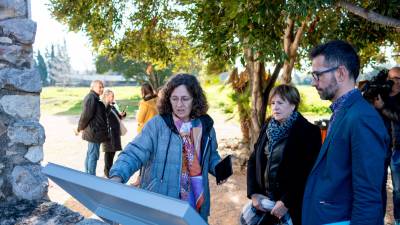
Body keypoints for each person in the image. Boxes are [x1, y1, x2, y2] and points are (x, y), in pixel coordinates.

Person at [109, 74, 224, 222]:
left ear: (195, 99)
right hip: (160, 205)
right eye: (174, 98)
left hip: (195, 205)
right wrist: (118, 176)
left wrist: (219, 168)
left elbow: (211, 154)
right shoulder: (157, 124)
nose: (179, 104)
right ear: (168, 100)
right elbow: (134, 152)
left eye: (185, 98)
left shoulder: (205, 126)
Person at [302, 40, 390, 225]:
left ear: (341, 73)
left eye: (317, 75)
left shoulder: (362, 118)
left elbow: (368, 196)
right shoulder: (344, 112)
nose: (312, 82)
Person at [246, 84, 321, 225]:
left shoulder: (309, 132)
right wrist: (254, 193)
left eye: (280, 103)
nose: (275, 107)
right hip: (265, 205)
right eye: (272, 103)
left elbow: (307, 173)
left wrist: (286, 201)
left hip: (292, 207)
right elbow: (253, 160)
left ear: (293, 105)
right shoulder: (268, 126)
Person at [373, 66, 400, 224]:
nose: (396, 82)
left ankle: (398, 219)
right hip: (380, 148)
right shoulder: (379, 95)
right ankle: (379, 219)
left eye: (399, 79)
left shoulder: (382, 103)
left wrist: (382, 108)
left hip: (398, 149)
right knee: (378, 187)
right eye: (393, 78)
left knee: (398, 190)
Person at [77, 80, 109, 175]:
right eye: (99, 87)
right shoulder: (91, 98)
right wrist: (79, 128)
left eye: (102, 87)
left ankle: (88, 175)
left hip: (96, 132)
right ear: (92, 87)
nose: (102, 89)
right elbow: (86, 115)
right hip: (94, 132)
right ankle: (91, 176)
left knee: (90, 153)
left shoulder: (96, 98)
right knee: (93, 155)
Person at [101, 89, 126, 178]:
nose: (113, 98)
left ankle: (107, 172)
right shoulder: (103, 105)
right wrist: (109, 105)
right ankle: (107, 173)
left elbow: (118, 116)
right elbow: (104, 116)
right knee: (108, 153)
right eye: (111, 96)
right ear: (106, 96)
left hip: (115, 133)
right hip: (108, 133)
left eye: (113, 96)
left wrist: (122, 115)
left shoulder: (112, 105)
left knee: (112, 153)